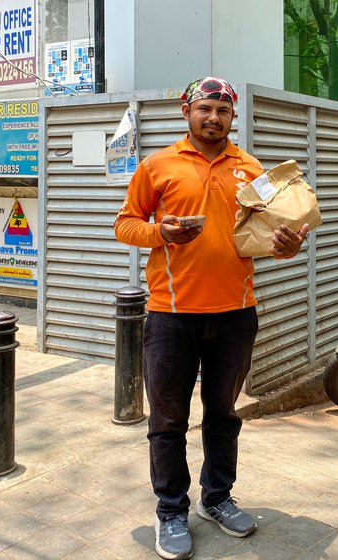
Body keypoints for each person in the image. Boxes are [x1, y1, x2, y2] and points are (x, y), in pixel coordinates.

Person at [114, 76, 309, 560]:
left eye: (222, 111)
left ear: (232, 117)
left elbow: (271, 229)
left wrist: (288, 245)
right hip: (171, 316)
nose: (213, 118)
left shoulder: (251, 168)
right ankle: (171, 510)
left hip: (237, 315)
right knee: (168, 421)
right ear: (187, 112)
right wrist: (162, 233)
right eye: (204, 109)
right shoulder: (157, 165)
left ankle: (216, 498)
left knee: (223, 415)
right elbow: (125, 224)